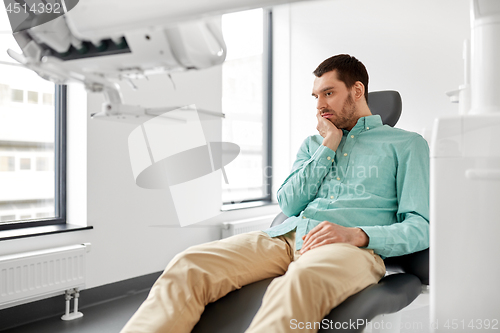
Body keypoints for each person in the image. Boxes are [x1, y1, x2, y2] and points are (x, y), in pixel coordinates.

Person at [120, 54, 429, 333]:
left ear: (357, 91)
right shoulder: (315, 144)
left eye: (329, 93)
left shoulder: (406, 145)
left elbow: (420, 227)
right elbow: (290, 202)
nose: (320, 104)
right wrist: (329, 145)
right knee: (189, 263)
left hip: (351, 250)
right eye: (316, 96)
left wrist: (355, 235)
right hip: (286, 237)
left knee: (298, 282)